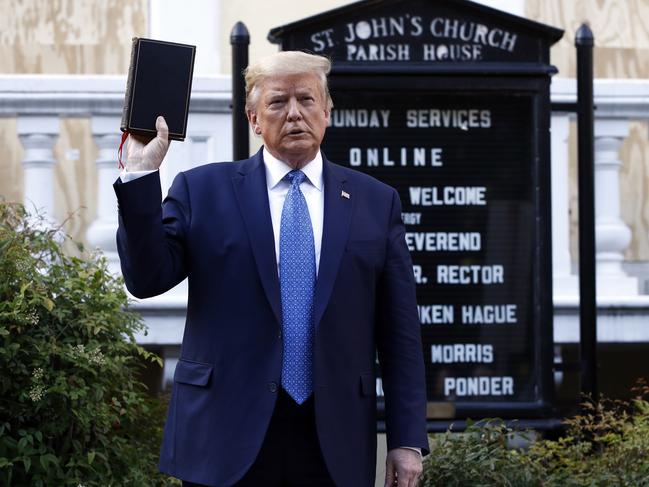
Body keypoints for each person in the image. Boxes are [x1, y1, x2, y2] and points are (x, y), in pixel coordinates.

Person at [114, 51, 428, 487]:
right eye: (279, 102)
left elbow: (400, 334)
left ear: (327, 111)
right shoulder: (204, 191)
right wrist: (140, 176)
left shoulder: (376, 202)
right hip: (223, 436)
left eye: (307, 100)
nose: (295, 113)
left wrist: (407, 438)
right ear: (254, 118)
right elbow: (147, 278)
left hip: (333, 438)